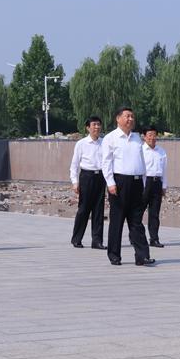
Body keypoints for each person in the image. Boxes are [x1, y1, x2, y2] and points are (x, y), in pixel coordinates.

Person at [101, 106, 154, 266]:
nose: (130, 119)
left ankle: (142, 256)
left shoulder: (138, 138)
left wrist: (144, 181)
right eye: (127, 116)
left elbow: (141, 161)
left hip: (137, 182)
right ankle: (114, 255)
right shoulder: (110, 138)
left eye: (132, 116)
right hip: (119, 182)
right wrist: (110, 183)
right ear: (118, 118)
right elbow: (106, 162)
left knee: (136, 221)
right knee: (117, 221)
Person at [69, 116, 105, 249]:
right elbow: (74, 165)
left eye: (99, 125)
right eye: (94, 125)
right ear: (88, 127)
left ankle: (97, 241)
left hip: (101, 177)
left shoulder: (104, 142)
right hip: (87, 177)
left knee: (98, 210)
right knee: (84, 209)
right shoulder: (81, 143)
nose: (97, 127)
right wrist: (75, 182)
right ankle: (77, 238)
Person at [141, 125, 168, 248]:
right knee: (138, 212)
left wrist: (164, 186)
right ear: (144, 136)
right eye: (149, 135)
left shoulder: (161, 151)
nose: (152, 138)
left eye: (154, 135)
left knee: (154, 213)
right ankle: (135, 236)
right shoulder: (140, 151)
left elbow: (164, 170)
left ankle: (154, 238)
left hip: (157, 183)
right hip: (144, 182)